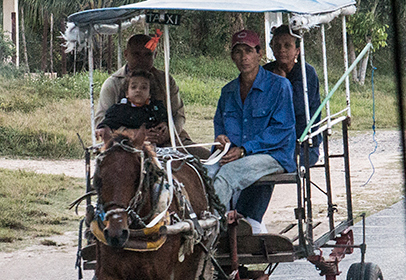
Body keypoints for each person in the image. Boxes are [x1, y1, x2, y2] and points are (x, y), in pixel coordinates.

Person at [236, 24, 322, 228]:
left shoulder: (306, 74)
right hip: (268, 140)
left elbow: (297, 110)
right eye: (277, 45)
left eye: (287, 45)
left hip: (301, 145)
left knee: (264, 165)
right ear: (271, 49)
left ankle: (251, 220)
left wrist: (283, 85)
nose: (282, 50)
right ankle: (237, 216)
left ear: (297, 50)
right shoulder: (265, 71)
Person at [211, 29, 296, 214]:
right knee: (203, 174)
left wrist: (244, 150)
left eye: (249, 51)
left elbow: (281, 130)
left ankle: (211, 231)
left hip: (274, 154)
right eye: (238, 52)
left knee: (227, 175)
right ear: (232, 57)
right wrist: (221, 139)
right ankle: (220, 223)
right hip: (235, 155)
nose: (244, 57)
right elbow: (219, 124)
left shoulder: (280, 86)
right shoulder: (228, 91)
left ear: (260, 54)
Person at [95, 32, 190, 147]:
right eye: (136, 54)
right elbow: (101, 121)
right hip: (126, 146)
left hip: (171, 142)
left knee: (204, 159)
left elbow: (178, 114)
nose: (142, 59)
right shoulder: (113, 83)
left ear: (155, 55)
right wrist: (134, 134)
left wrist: (168, 132)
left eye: (147, 55)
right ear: (126, 54)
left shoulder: (165, 81)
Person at [97, 70, 168, 143]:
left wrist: (163, 126)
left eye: (144, 88)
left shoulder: (156, 108)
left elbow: (164, 118)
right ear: (127, 93)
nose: (138, 90)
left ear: (149, 94)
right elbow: (108, 122)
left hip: (156, 147)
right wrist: (102, 128)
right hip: (128, 147)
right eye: (134, 87)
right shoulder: (120, 110)